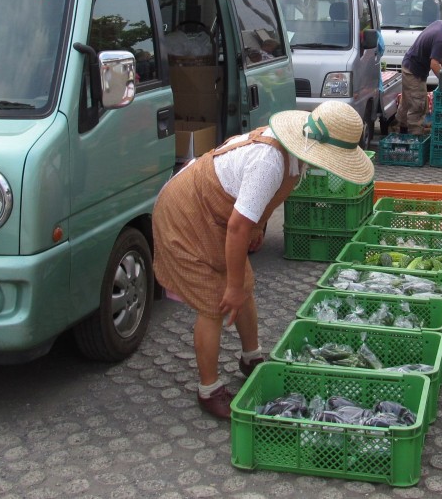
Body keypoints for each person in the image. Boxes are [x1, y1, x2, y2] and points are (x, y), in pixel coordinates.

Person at [152, 101, 374, 418]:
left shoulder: (298, 153)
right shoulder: (269, 161)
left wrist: (252, 240)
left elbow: (250, 213)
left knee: (244, 286)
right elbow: (238, 225)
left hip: (220, 216)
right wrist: (229, 285)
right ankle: (209, 389)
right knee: (213, 301)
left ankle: (250, 357)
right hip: (185, 212)